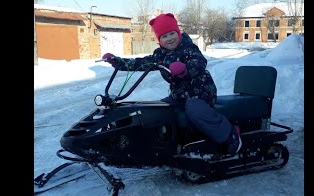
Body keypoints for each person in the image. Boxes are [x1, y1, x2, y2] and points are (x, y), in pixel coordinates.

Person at [102, 12, 242, 156]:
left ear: (178, 33)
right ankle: (166, 144)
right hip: (179, 95)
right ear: (159, 40)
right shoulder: (160, 54)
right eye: (164, 36)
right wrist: (119, 62)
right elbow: (142, 63)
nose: (169, 39)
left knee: (195, 110)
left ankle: (229, 135)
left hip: (201, 93)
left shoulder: (188, 48)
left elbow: (198, 62)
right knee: (158, 109)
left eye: (172, 33)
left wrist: (185, 70)